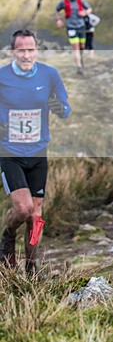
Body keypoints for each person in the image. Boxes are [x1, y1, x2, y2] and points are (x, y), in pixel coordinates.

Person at [0, 29, 70, 275]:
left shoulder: (49, 75)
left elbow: (65, 108)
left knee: (36, 216)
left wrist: (58, 107)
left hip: (38, 153)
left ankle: (31, 266)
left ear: (36, 51)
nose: (26, 55)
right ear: (13, 51)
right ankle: (8, 237)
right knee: (22, 209)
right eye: (21, 50)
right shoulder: (2, 76)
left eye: (30, 50)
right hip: (10, 153)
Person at [55, 0, 93, 75]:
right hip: (71, 27)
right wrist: (58, 20)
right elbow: (57, 10)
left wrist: (84, 13)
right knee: (75, 47)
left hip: (81, 26)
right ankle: (79, 67)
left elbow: (90, 9)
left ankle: (81, 60)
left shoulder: (81, 0)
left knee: (82, 46)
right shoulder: (63, 2)